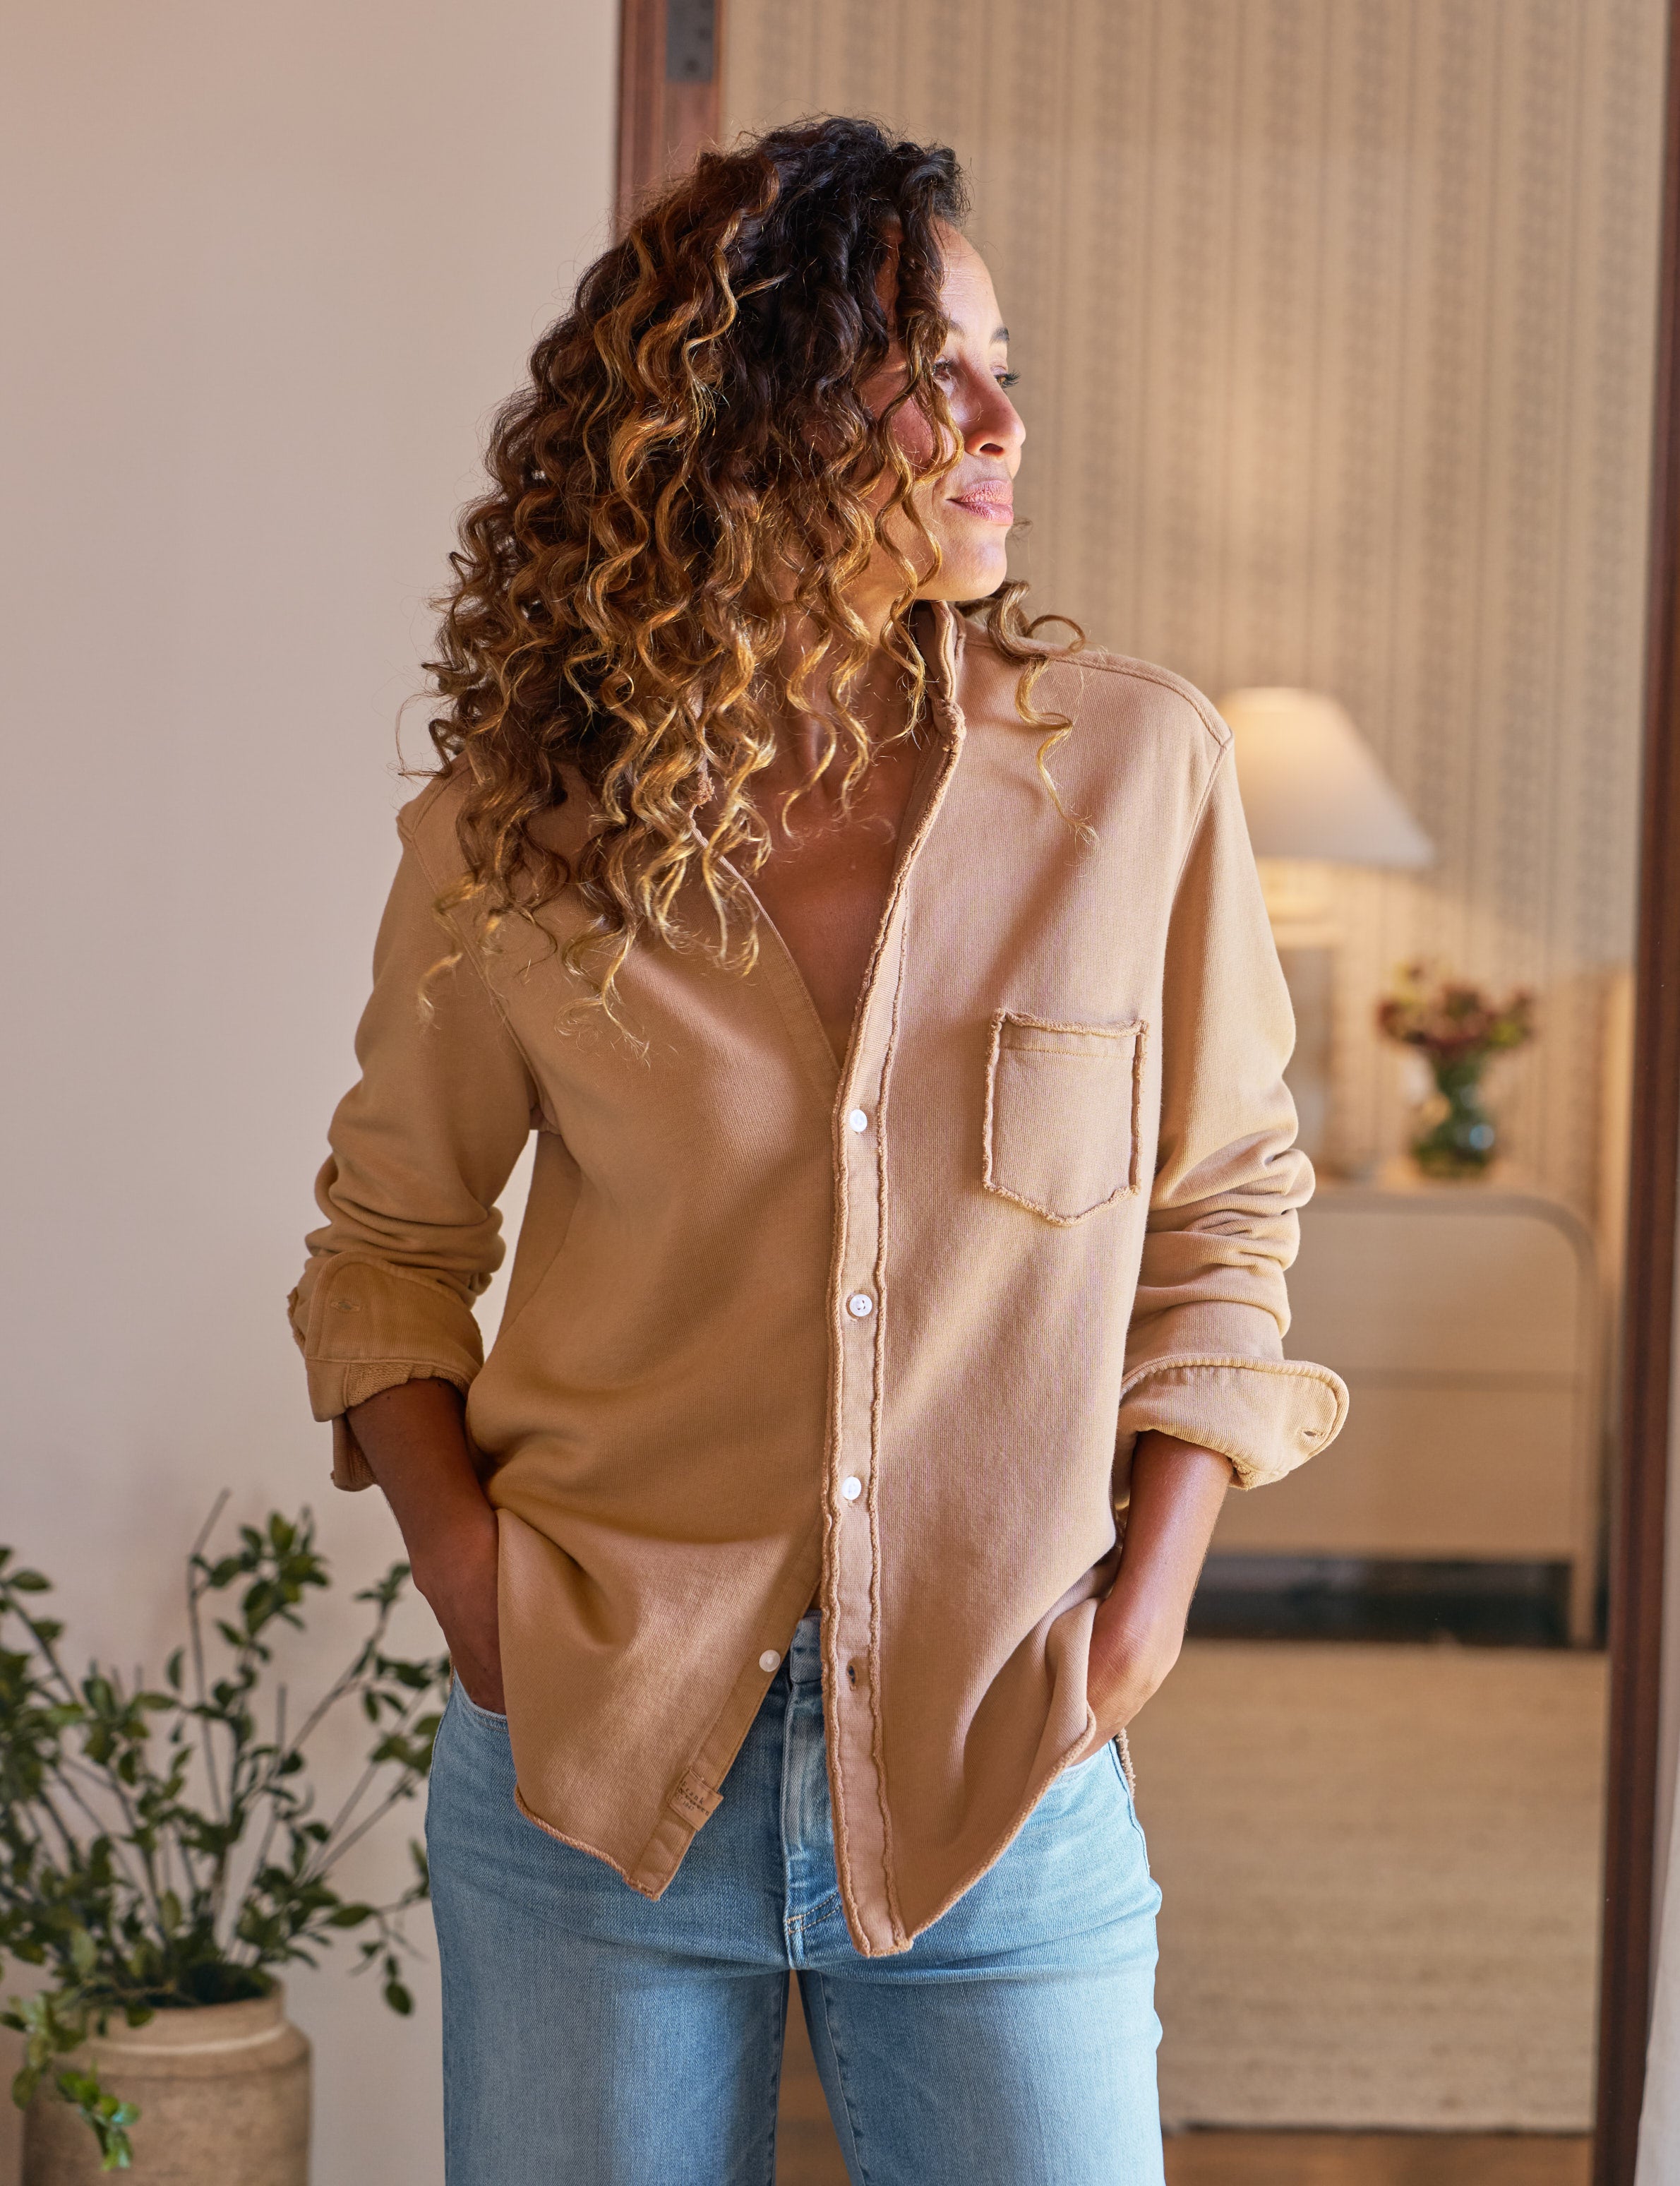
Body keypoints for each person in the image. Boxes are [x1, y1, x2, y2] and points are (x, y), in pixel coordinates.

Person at [289, 115, 1347, 2186]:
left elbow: (1220, 1213)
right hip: (592, 1760)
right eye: (922, 360)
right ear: (746, 410)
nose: (995, 417)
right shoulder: (520, 837)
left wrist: (1140, 1610)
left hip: (1001, 1758)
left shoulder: (1134, 776)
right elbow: (388, 1247)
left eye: (999, 358)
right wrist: (477, 1587)